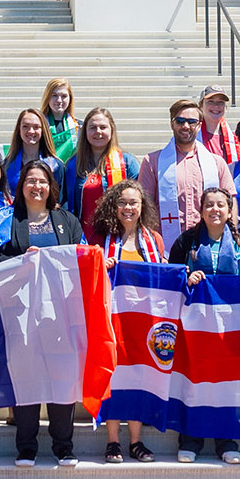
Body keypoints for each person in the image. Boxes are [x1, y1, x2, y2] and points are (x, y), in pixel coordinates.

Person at [0, 162, 84, 469]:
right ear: (20, 186)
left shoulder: (67, 220)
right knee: (26, 376)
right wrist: (21, 260)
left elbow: (80, 257)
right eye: (30, 181)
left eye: (42, 181)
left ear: (51, 187)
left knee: (61, 377)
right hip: (20, 311)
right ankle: (26, 447)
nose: (36, 187)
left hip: (60, 313)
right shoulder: (5, 219)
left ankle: (63, 446)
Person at [166, 186, 240, 465]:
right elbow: (171, 278)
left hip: (231, 329)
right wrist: (187, 278)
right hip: (196, 328)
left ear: (229, 211)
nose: (215, 210)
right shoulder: (186, 242)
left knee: (227, 386)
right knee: (194, 383)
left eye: (220, 205)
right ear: (200, 211)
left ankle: (227, 442)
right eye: (209, 205)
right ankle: (191, 440)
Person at [86, 180, 162, 463]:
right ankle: (113, 441)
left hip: (143, 322)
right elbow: (87, 269)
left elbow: (162, 275)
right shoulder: (101, 238)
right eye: (122, 203)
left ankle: (136, 441)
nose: (128, 208)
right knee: (115, 376)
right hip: (111, 320)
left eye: (134, 203)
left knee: (139, 376)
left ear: (142, 206)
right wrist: (98, 263)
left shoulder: (153, 239)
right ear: (113, 207)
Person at [140, 99, 233, 243]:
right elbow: (145, 206)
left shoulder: (216, 163)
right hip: (165, 246)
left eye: (191, 121)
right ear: (172, 123)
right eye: (180, 121)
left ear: (199, 125)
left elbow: (230, 202)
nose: (185, 126)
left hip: (207, 243)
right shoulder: (152, 161)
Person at [58, 107, 138, 222]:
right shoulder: (73, 165)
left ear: (112, 130)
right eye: (92, 128)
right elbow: (65, 204)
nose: (98, 132)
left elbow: (139, 201)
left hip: (117, 232)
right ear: (85, 131)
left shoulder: (128, 162)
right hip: (82, 234)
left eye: (103, 127)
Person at [5, 108, 63, 198]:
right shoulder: (7, 164)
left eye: (36, 127)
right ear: (19, 130)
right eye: (25, 126)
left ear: (43, 130)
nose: (31, 131)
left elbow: (61, 201)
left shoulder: (55, 166)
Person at [41, 77, 79, 157]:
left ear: (70, 98)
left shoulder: (78, 127)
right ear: (47, 97)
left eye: (64, 96)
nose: (59, 100)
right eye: (54, 95)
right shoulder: (39, 126)